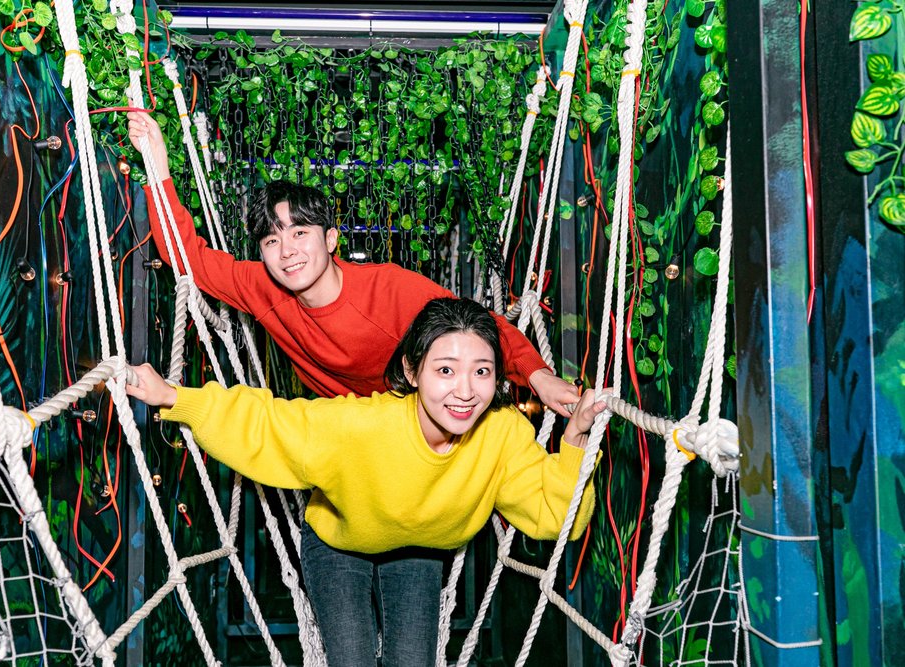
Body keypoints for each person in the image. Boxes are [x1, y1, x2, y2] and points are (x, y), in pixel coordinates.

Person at [126, 298, 604, 667]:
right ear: (412, 372)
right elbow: (269, 424)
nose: (465, 391)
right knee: (351, 658)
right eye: (445, 370)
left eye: (482, 372)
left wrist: (577, 442)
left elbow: (554, 517)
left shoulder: (500, 435)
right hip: (340, 540)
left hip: (419, 547)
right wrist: (174, 397)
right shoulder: (360, 427)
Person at [126, 110, 582, 411]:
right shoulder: (262, 285)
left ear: (331, 239)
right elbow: (189, 259)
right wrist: (159, 166)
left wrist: (539, 378)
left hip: (410, 424)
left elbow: (479, 328)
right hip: (340, 432)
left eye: (300, 233)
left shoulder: (390, 289)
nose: (286, 251)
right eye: (271, 240)